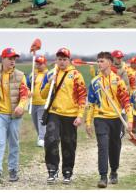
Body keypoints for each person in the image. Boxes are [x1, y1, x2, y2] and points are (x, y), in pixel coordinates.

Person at [86, 52, 133, 188]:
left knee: (115, 146)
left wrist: (129, 120)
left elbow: (126, 102)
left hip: (116, 118)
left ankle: (114, 171)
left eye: (101, 61)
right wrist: (88, 122)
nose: (99, 64)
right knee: (103, 146)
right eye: (98, 61)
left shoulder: (118, 81)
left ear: (109, 63)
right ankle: (103, 176)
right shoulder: (95, 82)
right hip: (100, 118)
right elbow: (90, 104)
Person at [40, 48, 86, 185]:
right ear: (56, 60)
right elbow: (42, 95)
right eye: (59, 59)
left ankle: (67, 171)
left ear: (69, 60)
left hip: (71, 115)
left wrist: (80, 115)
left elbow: (82, 96)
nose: (62, 62)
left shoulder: (76, 75)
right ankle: (52, 170)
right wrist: (50, 82)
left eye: (64, 59)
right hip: (54, 113)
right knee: (51, 141)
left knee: (69, 144)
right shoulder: (50, 74)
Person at [0, 48, 28, 184]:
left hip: (15, 116)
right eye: (10, 58)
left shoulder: (20, 75)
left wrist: (21, 106)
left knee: (13, 143)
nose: (13, 61)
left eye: (14, 58)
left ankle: (13, 169)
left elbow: (25, 94)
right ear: (2, 59)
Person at [27, 55, 48, 147]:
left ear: (44, 64)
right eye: (37, 64)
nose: (38, 66)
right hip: (32, 103)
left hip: (43, 103)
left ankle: (42, 138)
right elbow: (26, 86)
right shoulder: (32, 74)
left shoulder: (48, 74)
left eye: (40, 64)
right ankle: (40, 136)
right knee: (36, 123)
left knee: (41, 121)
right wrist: (28, 90)